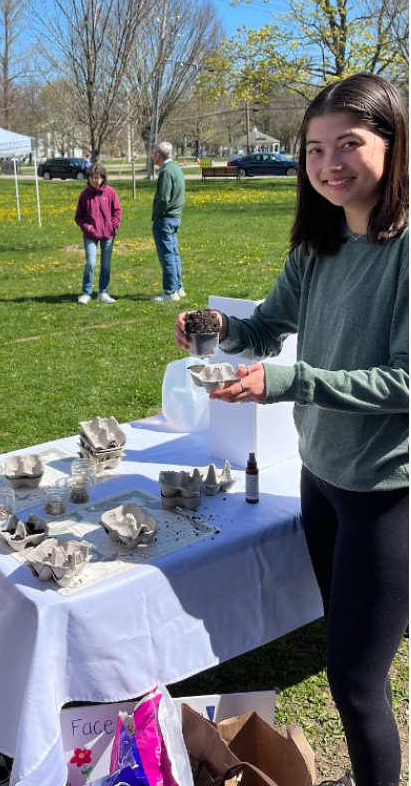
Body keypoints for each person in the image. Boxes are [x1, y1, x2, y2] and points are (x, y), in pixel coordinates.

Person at [174, 74, 408, 786]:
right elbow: (267, 327)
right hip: (322, 480)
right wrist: (217, 329)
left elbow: (405, 383)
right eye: (313, 149)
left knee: (357, 682)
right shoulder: (319, 243)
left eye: (349, 145)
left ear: (393, 145)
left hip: (385, 494)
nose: (329, 164)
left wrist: (287, 383)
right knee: (346, 661)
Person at [74, 162, 122, 304]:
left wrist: (112, 226)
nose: (95, 180)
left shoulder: (110, 192)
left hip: (108, 235)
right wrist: (87, 227)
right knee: (90, 263)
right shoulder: (84, 195)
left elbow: (117, 212)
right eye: (93, 177)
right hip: (90, 236)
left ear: (103, 178)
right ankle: (86, 292)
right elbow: (78, 217)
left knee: (106, 264)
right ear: (88, 178)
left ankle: (103, 292)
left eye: (98, 177)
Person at [150, 141, 186, 303]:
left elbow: (164, 199)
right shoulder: (176, 169)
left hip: (165, 219)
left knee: (167, 257)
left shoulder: (166, 172)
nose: (152, 156)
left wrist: (157, 215)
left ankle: (170, 292)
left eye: (153, 153)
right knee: (174, 254)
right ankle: (178, 288)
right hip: (175, 217)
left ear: (158, 155)